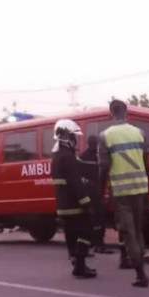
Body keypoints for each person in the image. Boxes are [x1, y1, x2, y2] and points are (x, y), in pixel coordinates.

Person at [99, 99, 149, 288]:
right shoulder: (140, 133)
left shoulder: (105, 136)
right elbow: (147, 166)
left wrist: (100, 192)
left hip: (121, 192)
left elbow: (104, 168)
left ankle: (140, 273)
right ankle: (141, 267)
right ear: (126, 112)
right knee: (138, 230)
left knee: (128, 232)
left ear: (111, 113)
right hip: (140, 188)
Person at [51, 119, 97, 279]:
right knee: (86, 231)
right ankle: (80, 265)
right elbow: (76, 184)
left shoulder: (56, 157)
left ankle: (75, 262)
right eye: (73, 136)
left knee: (71, 234)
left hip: (63, 206)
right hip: (74, 205)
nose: (76, 140)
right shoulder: (68, 158)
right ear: (67, 137)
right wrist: (87, 204)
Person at [80, 135, 114, 255]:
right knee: (98, 219)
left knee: (92, 219)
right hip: (94, 192)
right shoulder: (94, 157)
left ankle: (93, 244)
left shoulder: (84, 157)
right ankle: (98, 245)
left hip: (91, 193)